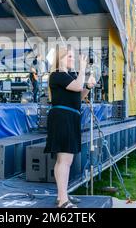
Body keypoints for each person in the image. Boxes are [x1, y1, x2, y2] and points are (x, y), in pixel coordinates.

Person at [44, 46, 96, 208]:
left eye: (73, 57)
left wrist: (88, 87)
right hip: (62, 118)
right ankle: (63, 199)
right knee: (64, 160)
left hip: (70, 117)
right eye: (69, 56)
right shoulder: (57, 75)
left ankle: (62, 196)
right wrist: (82, 71)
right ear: (60, 58)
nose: (72, 59)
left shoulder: (69, 76)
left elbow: (78, 96)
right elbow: (77, 87)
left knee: (65, 159)